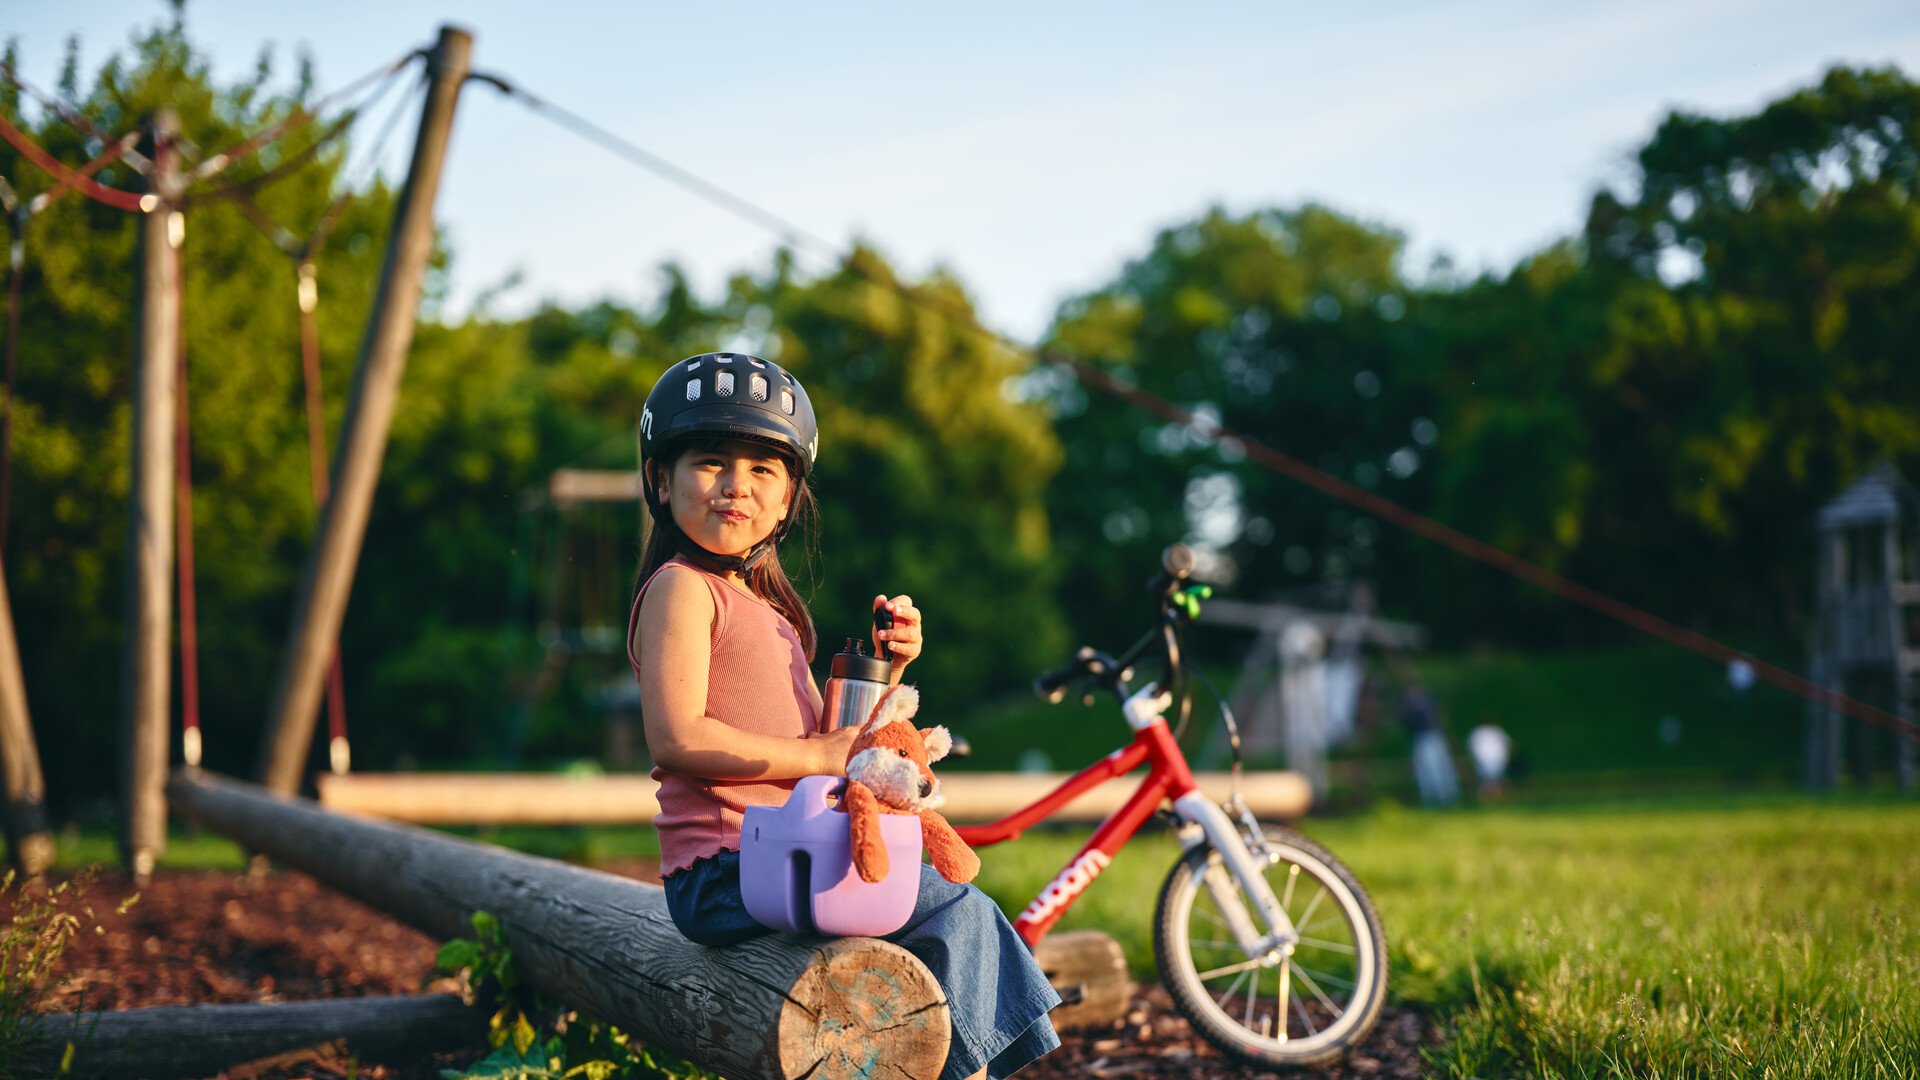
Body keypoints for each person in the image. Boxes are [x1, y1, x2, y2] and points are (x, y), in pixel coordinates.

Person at [625, 352, 1059, 1080]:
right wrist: (824, 758)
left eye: (764, 469)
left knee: (940, 909)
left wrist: (891, 668)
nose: (737, 485)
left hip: (778, 851)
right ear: (661, 481)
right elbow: (679, 736)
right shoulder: (681, 588)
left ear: (790, 495)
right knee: (955, 909)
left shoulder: (770, 610)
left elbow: (837, 742)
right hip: (727, 869)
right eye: (710, 462)